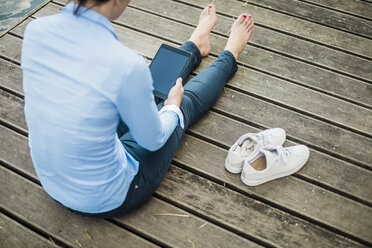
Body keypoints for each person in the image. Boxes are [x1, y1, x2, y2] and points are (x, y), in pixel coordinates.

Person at [21, 0, 254, 218]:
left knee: (146, 90)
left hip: (53, 179)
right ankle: (230, 53)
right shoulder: (124, 62)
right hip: (108, 196)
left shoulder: (35, 30)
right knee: (182, 104)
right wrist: (172, 107)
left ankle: (195, 44)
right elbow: (154, 140)